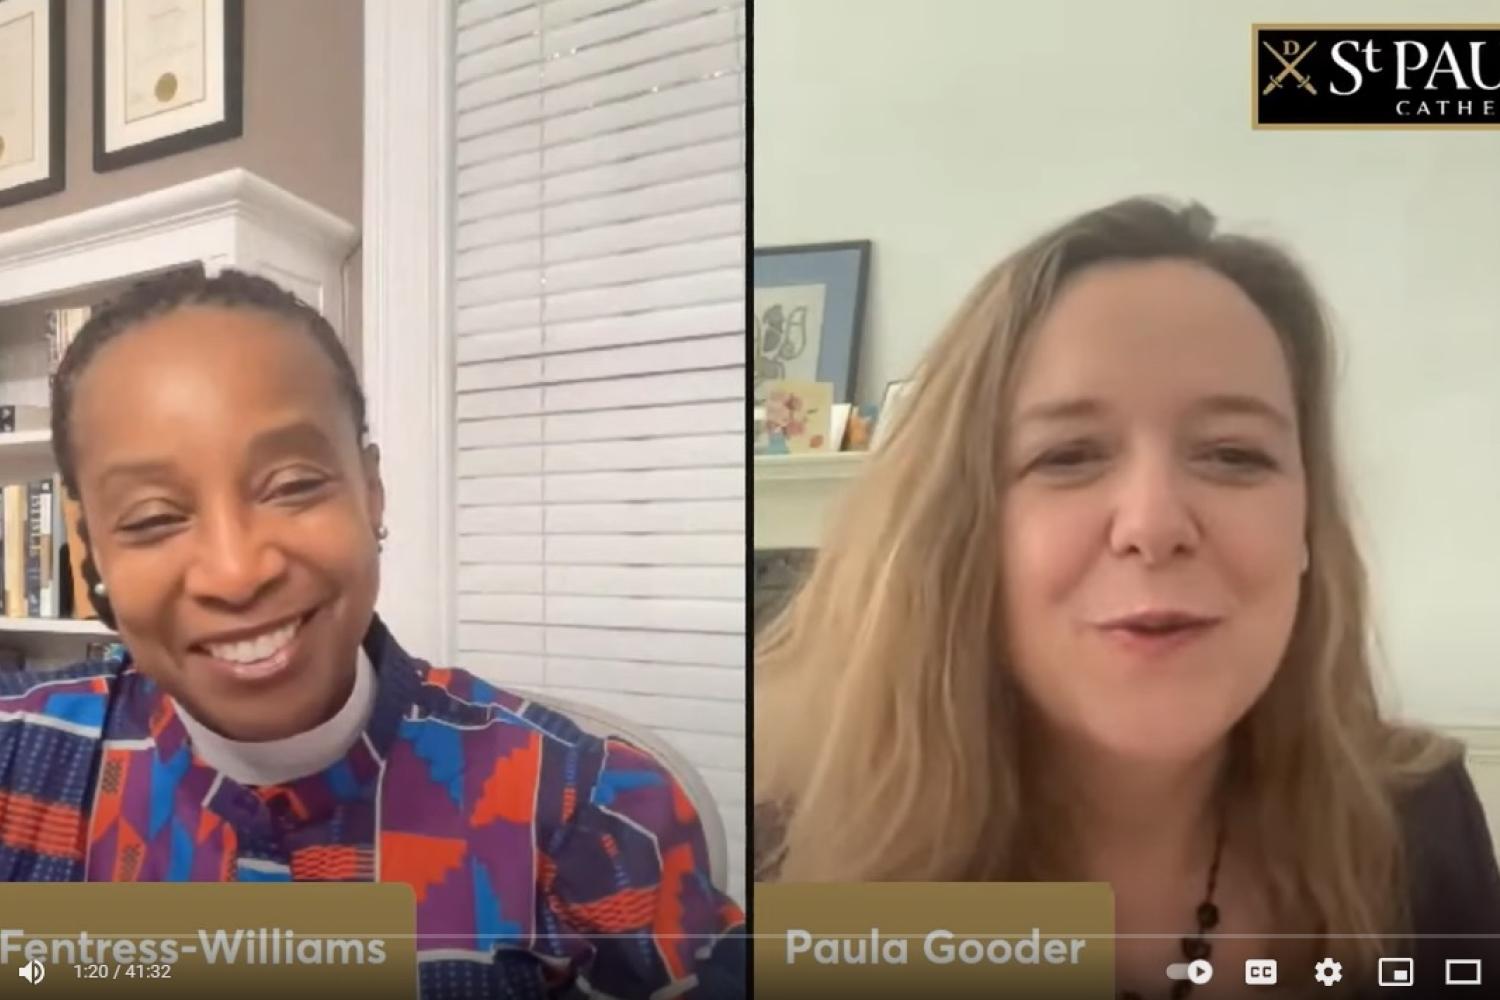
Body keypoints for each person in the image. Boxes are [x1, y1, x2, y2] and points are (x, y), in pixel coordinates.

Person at [753, 198, 1500, 998]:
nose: (1153, 524)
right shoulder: (775, 873)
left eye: (1233, 454)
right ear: (961, 533)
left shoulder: (1419, 822)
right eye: (1068, 455)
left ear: (1308, 524)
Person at [0, 268, 745, 999]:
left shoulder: (586, 814)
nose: (234, 573)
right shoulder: (19, 762)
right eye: (155, 519)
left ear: (371, 491)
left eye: (292, 486)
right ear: (88, 551)